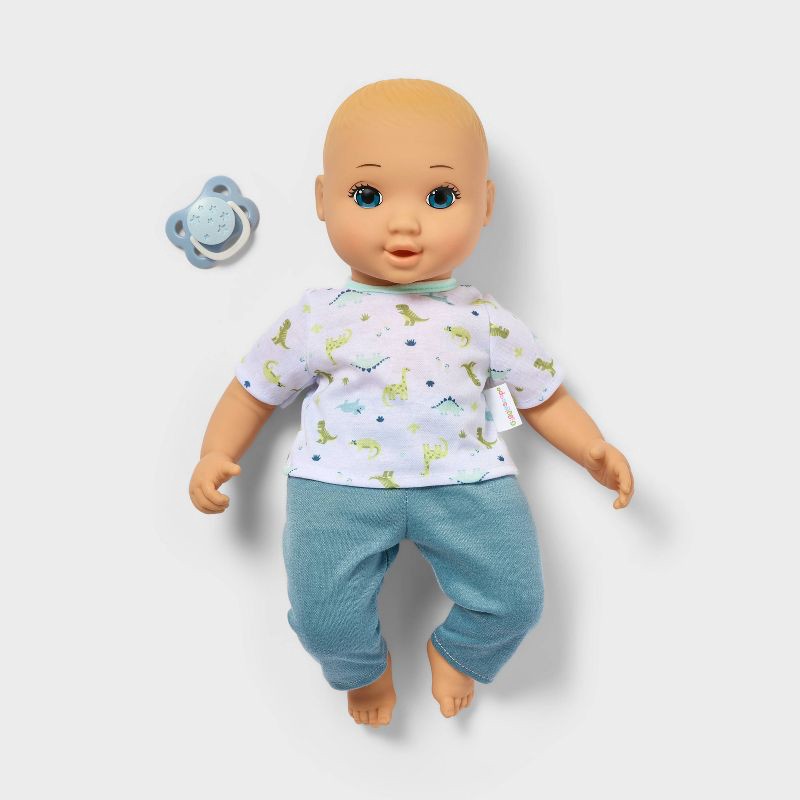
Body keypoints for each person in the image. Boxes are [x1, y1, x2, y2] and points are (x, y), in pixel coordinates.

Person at [189, 78, 634, 728]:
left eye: (440, 196)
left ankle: (461, 650)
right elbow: (250, 391)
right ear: (323, 199)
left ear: (484, 205)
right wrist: (215, 452)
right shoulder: (316, 318)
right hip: (337, 486)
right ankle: (360, 670)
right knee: (320, 617)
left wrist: (591, 448)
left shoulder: (484, 320)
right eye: (367, 196)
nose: (405, 222)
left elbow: (544, 396)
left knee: (515, 600)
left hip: (467, 481)